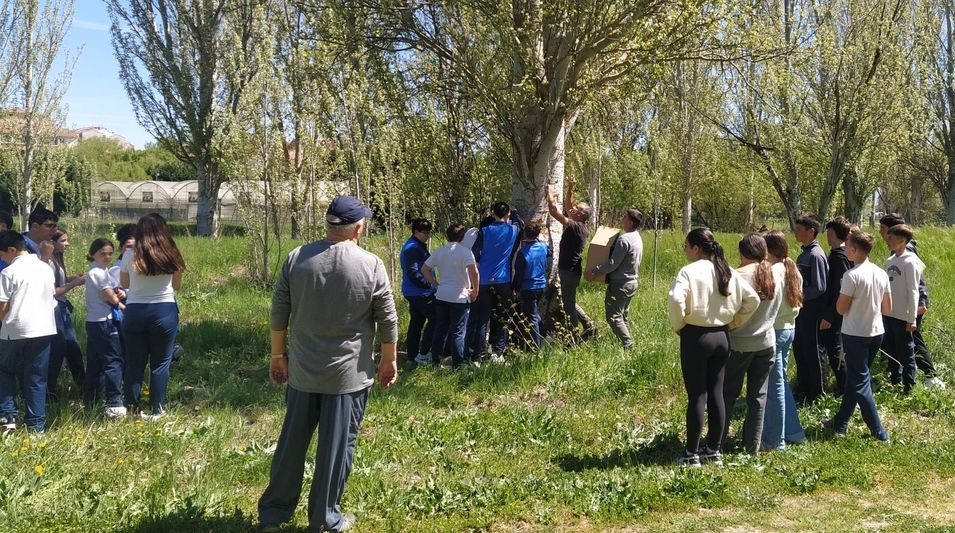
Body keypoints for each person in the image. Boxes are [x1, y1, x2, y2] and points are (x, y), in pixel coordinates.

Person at [258, 195, 398, 533]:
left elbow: (279, 312)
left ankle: (273, 516)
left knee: (291, 446)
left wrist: (278, 356)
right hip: (347, 378)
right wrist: (389, 360)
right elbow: (388, 319)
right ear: (358, 229)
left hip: (303, 373)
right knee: (335, 451)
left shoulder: (296, 258)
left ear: (328, 225)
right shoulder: (371, 264)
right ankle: (323, 519)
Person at [668, 228, 759, 467]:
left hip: (696, 336)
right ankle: (713, 450)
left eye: (686, 246)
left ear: (696, 248)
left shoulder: (688, 272)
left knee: (697, 394)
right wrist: (733, 322)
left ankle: (691, 453)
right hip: (721, 336)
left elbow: (677, 299)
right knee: (717, 393)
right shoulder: (725, 269)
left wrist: (679, 325)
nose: (685, 250)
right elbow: (753, 300)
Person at [822, 228, 890, 442]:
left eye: (847, 247)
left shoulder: (851, 276)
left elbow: (841, 310)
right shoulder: (881, 273)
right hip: (876, 331)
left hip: (855, 334)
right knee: (857, 379)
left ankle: (879, 432)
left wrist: (846, 291)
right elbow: (887, 308)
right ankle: (840, 422)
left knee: (860, 383)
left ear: (853, 250)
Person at [120, 213, 186, 419]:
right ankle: (157, 409)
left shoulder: (130, 255)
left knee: (135, 363)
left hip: (135, 310)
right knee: (161, 363)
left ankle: (132, 408)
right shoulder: (172, 253)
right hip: (164, 310)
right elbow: (176, 285)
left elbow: (125, 284)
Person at [722, 234, 782, 455]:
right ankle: (752, 448)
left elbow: (728, 311)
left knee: (727, 394)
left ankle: (718, 442)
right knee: (758, 398)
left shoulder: (736, 275)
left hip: (739, 344)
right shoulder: (775, 274)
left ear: (742, 252)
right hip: (766, 342)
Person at [0, 231, 57, 432]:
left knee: (5, 370)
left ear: (12, 250)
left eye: (2, 255)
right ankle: (36, 426)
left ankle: (8, 416)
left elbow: (2, 306)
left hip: (14, 330)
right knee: (36, 378)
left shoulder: (8, 272)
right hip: (43, 329)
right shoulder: (45, 268)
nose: (2, 259)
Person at [879, 213, 943, 389]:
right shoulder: (892, 257)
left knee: (910, 344)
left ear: (899, 237)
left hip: (909, 309)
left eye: (884, 230)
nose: (882, 234)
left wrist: (917, 309)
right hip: (893, 311)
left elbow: (916, 284)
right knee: (895, 345)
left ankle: (926, 377)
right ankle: (896, 377)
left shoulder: (910, 255)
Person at [761, 231, 806, 451]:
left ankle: (774, 440)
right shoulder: (792, 268)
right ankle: (793, 431)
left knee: (774, 387)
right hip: (790, 329)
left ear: (768, 250)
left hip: (776, 331)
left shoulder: (774, 271)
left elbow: (770, 304)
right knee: (781, 383)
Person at [466, 202, 522, 361]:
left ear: (493, 214)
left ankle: (477, 354)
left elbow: (473, 255)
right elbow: (520, 222)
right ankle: (498, 352)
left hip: (483, 280)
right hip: (503, 280)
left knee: (481, 319)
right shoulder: (513, 230)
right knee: (503, 316)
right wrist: (515, 211)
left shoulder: (484, 231)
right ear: (508, 215)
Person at [586, 208, 644, 349]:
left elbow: (613, 263)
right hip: (632, 282)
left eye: (624, 216)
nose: (621, 218)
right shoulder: (636, 236)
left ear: (630, 223)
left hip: (621, 284)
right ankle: (628, 344)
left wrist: (595, 271)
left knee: (614, 317)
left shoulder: (624, 239)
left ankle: (629, 346)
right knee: (622, 316)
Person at [546, 177, 596, 339]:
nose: (573, 208)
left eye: (577, 208)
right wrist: (570, 188)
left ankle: (574, 337)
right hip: (569, 270)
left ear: (581, 215)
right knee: (570, 300)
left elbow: (554, 211)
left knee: (568, 306)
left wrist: (550, 193)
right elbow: (568, 206)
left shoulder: (575, 227)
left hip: (569, 272)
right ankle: (589, 325)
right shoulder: (579, 224)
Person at [423, 224, 479, 368]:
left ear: (447, 235)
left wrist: (436, 284)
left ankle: (435, 360)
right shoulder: (466, 252)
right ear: (462, 237)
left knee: (440, 329)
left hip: (442, 295)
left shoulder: (440, 251)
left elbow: (425, 269)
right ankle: (458, 364)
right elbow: (474, 272)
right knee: (458, 332)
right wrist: (475, 290)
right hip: (459, 296)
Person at [83, 238, 126, 418]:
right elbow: (108, 296)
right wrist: (124, 307)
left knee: (95, 362)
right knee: (113, 361)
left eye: (110, 253)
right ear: (93, 254)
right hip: (104, 321)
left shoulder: (101, 271)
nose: (107, 257)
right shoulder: (98, 273)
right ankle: (114, 402)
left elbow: (112, 291)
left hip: (95, 321)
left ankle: (90, 399)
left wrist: (119, 292)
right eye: (102, 253)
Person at [45, 230, 86, 398]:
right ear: (53, 242)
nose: (67, 244)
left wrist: (69, 279)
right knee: (58, 349)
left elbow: (59, 283)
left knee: (72, 348)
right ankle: (49, 390)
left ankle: (84, 386)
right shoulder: (48, 262)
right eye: (64, 240)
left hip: (62, 309)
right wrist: (74, 283)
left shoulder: (57, 259)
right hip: (55, 309)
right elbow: (52, 291)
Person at [882, 224, 923, 394]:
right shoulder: (890, 261)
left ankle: (909, 386)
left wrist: (911, 318)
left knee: (906, 351)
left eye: (891, 238)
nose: (887, 240)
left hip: (903, 316)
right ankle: (895, 379)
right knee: (891, 349)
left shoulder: (911, 261)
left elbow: (914, 291)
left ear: (902, 240)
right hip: (889, 313)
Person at [792, 214, 828, 404]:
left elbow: (820, 287)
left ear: (811, 231)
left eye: (799, 229)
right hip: (802, 311)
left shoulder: (815, 255)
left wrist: (798, 295)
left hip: (812, 311)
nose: (795, 232)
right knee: (801, 350)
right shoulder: (805, 253)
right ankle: (804, 387)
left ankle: (817, 393)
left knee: (813, 351)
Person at [819, 216, 852, 395]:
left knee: (835, 351)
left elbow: (841, 289)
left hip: (835, 313)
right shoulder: (840, 254)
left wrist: (830, 315)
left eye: (829, 232)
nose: (827, 236)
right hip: (835, 310)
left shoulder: (839, 258)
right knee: (833, 350)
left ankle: (845, 387)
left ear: (836, 234)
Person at [400, 218, 436, 366]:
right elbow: (412, 272)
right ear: (416, 232)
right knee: (436, 318)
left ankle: (412, 357)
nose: (427, 235)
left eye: (429, 232)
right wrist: (428, 285)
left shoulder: (417, 244)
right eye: (425, 232)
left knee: (416, 323)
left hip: (415, 292)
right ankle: (424, 354)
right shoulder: (412, 248)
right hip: (419, 292)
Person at [513, 221, 552, 349]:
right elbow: (549, 253)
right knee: (534, 313)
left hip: (528, 287)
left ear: (524, 234)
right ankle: (544, 335)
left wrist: (516, 289)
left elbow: (519, 274)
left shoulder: (523, 253)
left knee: (532, 317)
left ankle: (536, 347)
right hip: (541, 285)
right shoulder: (543, 247)